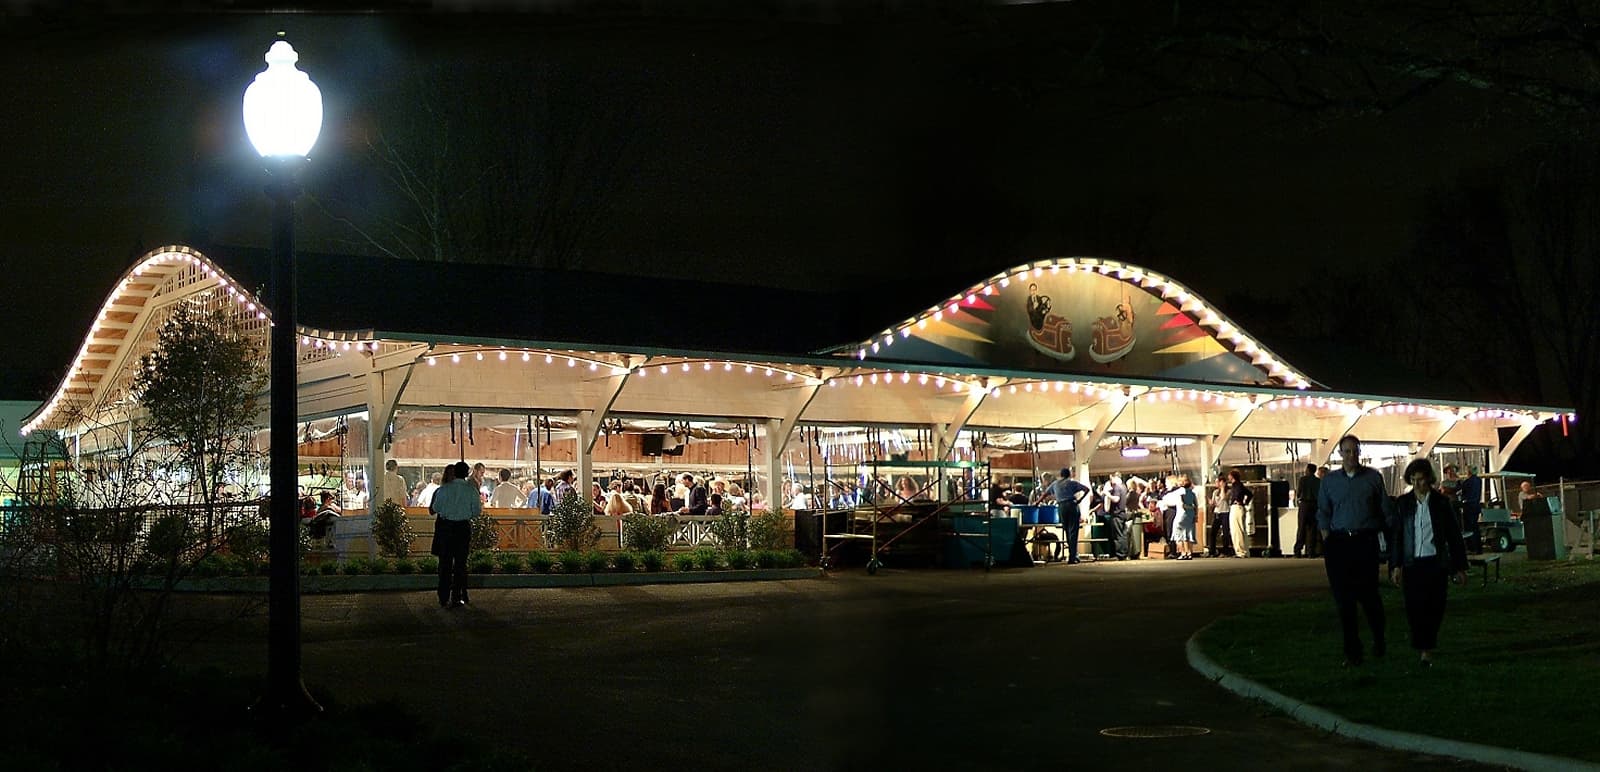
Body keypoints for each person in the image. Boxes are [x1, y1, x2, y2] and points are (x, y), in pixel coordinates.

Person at [1317, 434, 1395, 666]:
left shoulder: (1373, 477)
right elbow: (1323, 510)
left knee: (1370, 596)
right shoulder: (1329, 481)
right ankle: (1352, 652)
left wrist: (1390, 535)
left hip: (1365, 541)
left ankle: (1379, 639)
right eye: (1347, 451)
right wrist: (1326, 535)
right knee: (1344, 600)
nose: (1351, 456)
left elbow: (1385, 510)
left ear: (1360, 453)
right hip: (1339, 543)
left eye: (1355, 451)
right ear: (1340, 454)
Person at [1389, 459, 1469, 667]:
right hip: (1412, 563)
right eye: (1413, 480)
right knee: (1415, 608)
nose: (1417, 485)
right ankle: (1424, 648)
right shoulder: (1403, 504)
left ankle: (1427, 644)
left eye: (1421, 480)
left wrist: (1459, 566)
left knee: (1435, 606)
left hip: (1435, 562)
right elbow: (1397, 535)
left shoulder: (1441, 503)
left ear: (1429, 480)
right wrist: (1396, 565)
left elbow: (1453, 535)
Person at [431, 461, 481, 609]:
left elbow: (436, 508)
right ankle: (457, 596)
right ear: (466, 473)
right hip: (462, 528)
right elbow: (477, 511)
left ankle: (443, 595)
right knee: (460, 563)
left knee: (445, 563)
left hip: (446, 528)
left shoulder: (443, 489)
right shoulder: (471, 490)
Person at [1046, 468, 1091, 564]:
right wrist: (1080, 500)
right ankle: (1072, 556)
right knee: (1073, 531)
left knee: (1067, 530)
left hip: (1061, 507)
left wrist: (1036, 503)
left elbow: (1045, 494)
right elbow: (1087, 489)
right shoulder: (1072, 483)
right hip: (1072, 505)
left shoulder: (1055, 484)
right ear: (1069, 475)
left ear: (1061, 475)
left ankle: (1073, 554)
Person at [1294, 464, 1324, 558]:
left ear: (1308, 470)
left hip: (1304, 505)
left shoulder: (1302, 480)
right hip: (1314, 505)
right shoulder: (1318, 481)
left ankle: (1298, 550)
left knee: (1301, 528)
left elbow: (1298, 493)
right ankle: (1311, 552)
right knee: (1312, 529)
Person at [1101, 473, 1129, 560]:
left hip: (1117, 514)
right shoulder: (1124, 487)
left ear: (1115, 477)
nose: (1111, 481)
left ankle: (1119, 554)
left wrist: (1107, 494)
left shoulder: (1117, 487)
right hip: (1123, 513)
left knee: (1118, 535)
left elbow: (1116, 499)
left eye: (1111, 479)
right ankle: (1124, 553)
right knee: (1123, 534)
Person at [1226, 470, 1253, 558]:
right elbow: (1249, 494)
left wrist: (1238, 500)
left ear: (1232, 477)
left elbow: (1241, 493)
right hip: (1239, 507)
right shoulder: (1239, 485)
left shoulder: (1236, 485)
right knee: (1240, 529)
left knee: (1236, 530)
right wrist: (1245, 502)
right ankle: (1243, 551)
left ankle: (1240, 551)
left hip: (1236, 507)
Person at [1457, 467, 1483, 553]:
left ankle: (1471, 547)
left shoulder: (1468, 482)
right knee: (1476, 527)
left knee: (1469, 528)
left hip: (1468, 506)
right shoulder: (1479, 481)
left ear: (1469, 472)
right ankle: (1479, 548)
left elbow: (1461, 489)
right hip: (1476, 506)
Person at [1172, 475, 1199, 560]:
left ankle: (1183, 552)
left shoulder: (1179, 492)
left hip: (1181, 515)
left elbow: (1182, 504)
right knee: (1189, 533)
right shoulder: (1192, 493)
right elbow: (1196, 505)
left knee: (1178, 534)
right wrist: (1195, 514)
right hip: (1191, 515)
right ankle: (1190, 552)